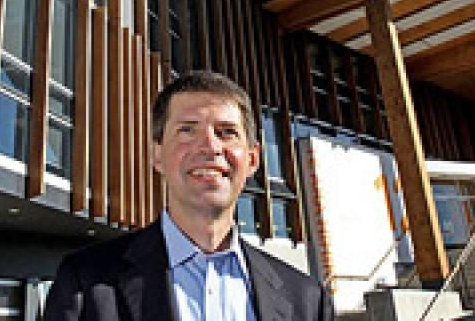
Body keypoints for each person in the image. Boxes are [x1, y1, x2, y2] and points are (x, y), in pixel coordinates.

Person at [44, 71, 335, 320]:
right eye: (187, 130)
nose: (209, 147)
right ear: (157, 156)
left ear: (253, 160)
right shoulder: (84, 282)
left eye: (226, 132)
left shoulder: (307, 300)